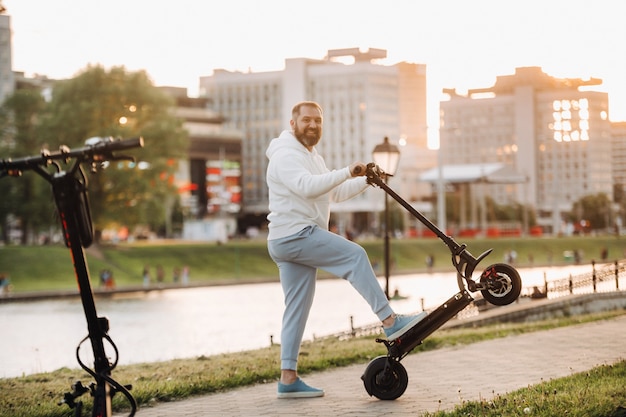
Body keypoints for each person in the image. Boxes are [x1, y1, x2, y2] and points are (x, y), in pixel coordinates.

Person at [266, 101, 427, 399]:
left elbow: (334, 192)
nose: (313, 125)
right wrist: (345, 171)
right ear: (293, 124)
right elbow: (307, 187)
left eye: (318, 121)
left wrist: (366, 181)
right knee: (356, 256)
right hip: (296, 235)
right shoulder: (285, 155)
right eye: (306, 120)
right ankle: (391, 322)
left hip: (288, 239)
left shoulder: (312, 156)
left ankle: (288, 379)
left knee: (297, 310)